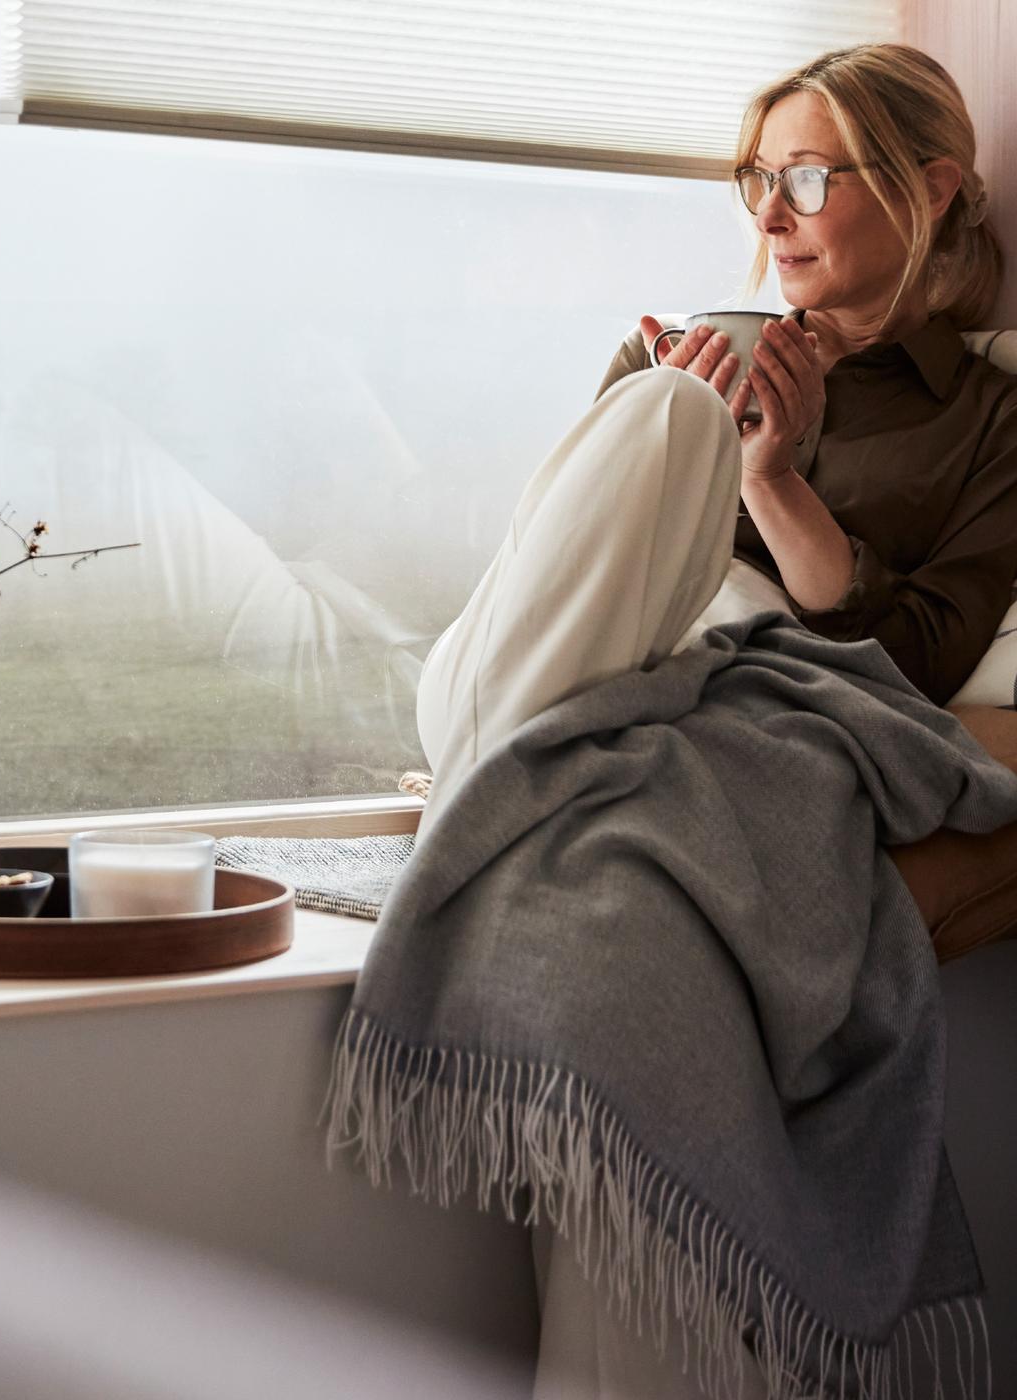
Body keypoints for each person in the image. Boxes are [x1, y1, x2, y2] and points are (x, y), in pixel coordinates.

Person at [410, 42, 1017, 1400]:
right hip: (610, 675)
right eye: (758, 178)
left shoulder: (986, 421)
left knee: (691, 434)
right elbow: (569, 570)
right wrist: (672, 414)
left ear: (928, 188)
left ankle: (491, 754)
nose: (768, 214)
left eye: (806, 174)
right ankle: (491, 737)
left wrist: (775, 479)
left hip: (777, 690)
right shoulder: (679, 347)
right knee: (660, 413)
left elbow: (917, 667)